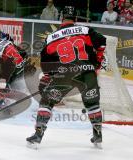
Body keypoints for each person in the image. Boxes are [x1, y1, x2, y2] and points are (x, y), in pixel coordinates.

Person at [26, 6, 106, 148]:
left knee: (46, 102)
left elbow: (45, 62)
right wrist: (98, 63)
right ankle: (98, 136)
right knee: (92, 104)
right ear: (75, 19)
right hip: (87, 73)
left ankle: (38, 135)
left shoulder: (51, 37)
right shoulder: (86, 30)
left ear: (61, 18)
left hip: (65, 75)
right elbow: (102, 42)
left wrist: (49, 75)